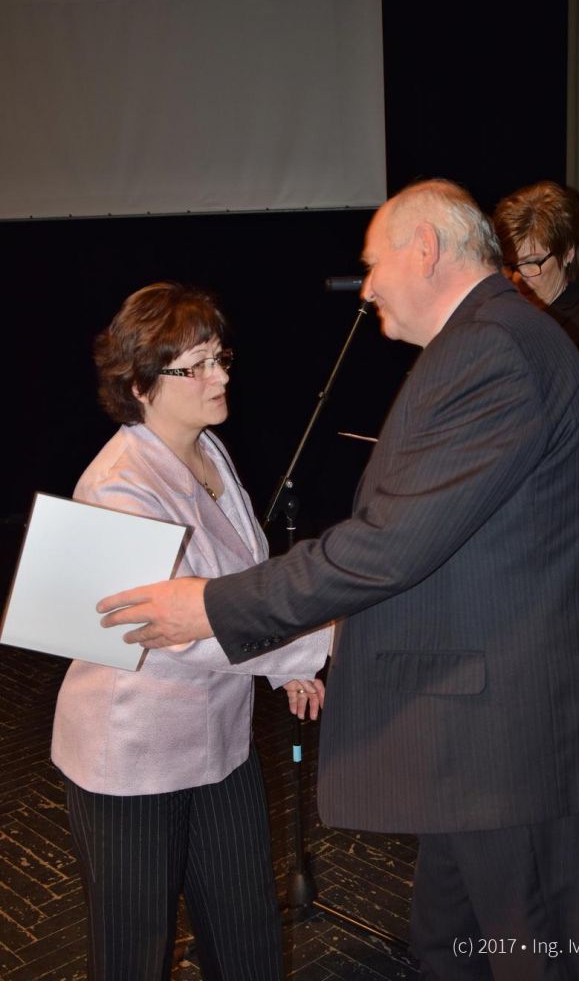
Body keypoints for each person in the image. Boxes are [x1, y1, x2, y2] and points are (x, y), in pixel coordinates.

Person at [97, 181, 579, 981]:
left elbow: (389, 546)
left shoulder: (494, 350)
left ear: (423, 250)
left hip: (520, 748)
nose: (367, 288)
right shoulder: (484, 341)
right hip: (486, 739)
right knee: (450, 949)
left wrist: (211, 606)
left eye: (372, 263)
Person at [51, 282, 331, 981]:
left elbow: (245, 575)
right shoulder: (117, 485)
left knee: (246, 934)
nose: (221, 376)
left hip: (218, 740)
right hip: (131, 757)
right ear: (139, 385)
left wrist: (284, 667)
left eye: (220, 357)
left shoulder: (207, 451)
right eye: (196, 365)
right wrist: (320, 644)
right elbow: (179, 628)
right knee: (135, 952)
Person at [493, 180, 579, 427]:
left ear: (568, 253)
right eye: (510, 264)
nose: (518, 277)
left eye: (532, 262)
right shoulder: (506, 310)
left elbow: (568, 414)